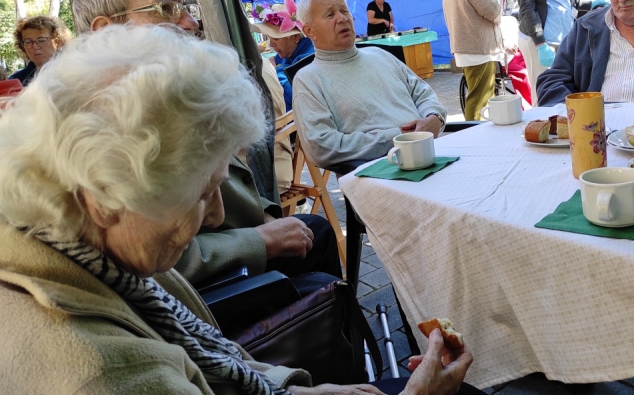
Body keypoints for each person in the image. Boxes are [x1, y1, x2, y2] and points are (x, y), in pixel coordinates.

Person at [0, 24, 474, 394]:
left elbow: (215, 361)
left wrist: (298, 391)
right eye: (202, 193)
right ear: (104, 198)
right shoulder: (94, 372)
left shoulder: (91, 247)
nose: (215, 216)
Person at [71, 0, 341, 288]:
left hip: (239, 243)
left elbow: (233, 180)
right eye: (166, 9)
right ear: (108, 32)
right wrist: (260, 240)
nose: (192, 23)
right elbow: (155, 262)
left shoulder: (164, 95)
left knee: (315, 231)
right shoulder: (101, 129)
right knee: (322, 259)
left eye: (186, 9)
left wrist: (267, 215)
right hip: (214, 291)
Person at [292, 0, 447, 169]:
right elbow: (321, 147)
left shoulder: (380, 54)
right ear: (309, 31)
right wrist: (399, 137)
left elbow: (423, 94)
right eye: (330, 15)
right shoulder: (308, 79)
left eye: (344, 11)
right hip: (380, 174)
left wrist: (434, 117)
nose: (342, 18)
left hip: (433, 153)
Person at [443, 0, 503, 120]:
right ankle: (475, 140)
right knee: (480, 102)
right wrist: (498, 6)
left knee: (476, 97)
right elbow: (493, 11)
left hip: (465, 48)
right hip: (480, 48)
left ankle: (476, 137)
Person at [252, 0, 315, 111]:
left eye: (276, 38)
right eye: (269, 38)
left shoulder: (310, 57)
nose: (271, 44)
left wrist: (274, 70)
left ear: (295, 37)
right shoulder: (286, 55)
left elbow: (294, 96)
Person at [9, 15, 71, 86]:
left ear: (58, 42)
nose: (35, 46)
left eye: (41, 40)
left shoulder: (75, 73)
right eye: (28, 41)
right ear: (22, 47)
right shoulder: (16, 81)